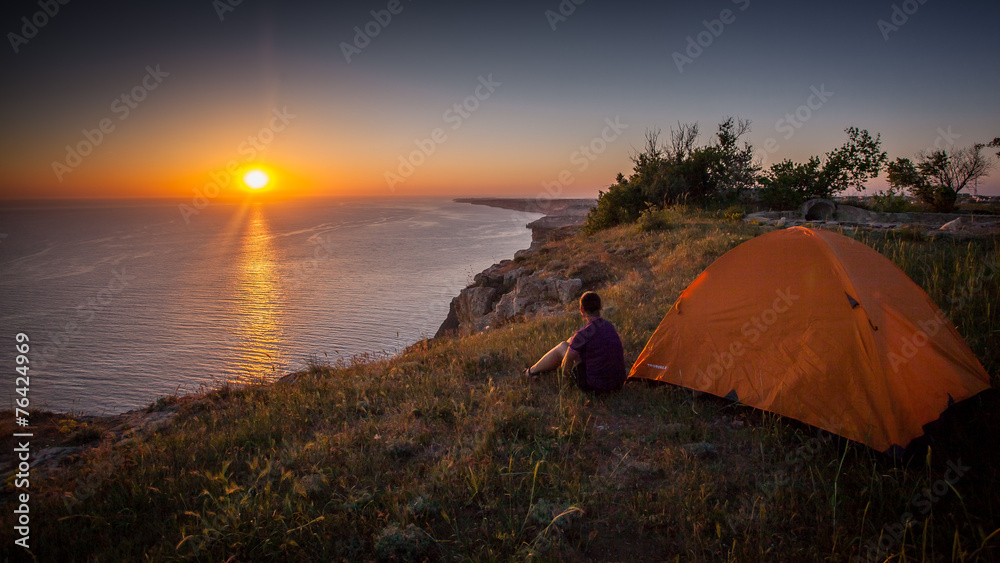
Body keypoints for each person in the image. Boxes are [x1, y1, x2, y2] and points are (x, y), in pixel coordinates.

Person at [523, 291, 626, 392]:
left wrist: (565, 379)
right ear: (600, 307)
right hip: (618, 384)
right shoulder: (609, 326)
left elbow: (566, 365)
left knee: (563, 346)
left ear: (582, 309)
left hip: (595, 387)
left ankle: (531, 371)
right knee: (572, 340)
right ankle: (539, 369)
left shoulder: (583, 334)